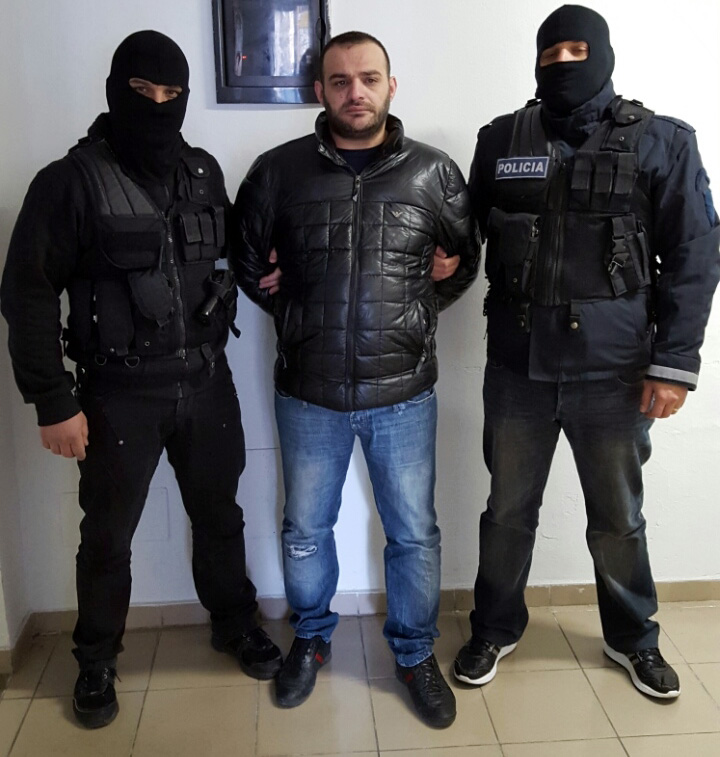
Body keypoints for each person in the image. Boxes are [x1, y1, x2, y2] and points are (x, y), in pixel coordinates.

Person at [0, 30, 282, 729]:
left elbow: (234, 254)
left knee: (220, 517)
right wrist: (52, 400)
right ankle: (96, 658)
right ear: (114, 91)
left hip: (207, 383)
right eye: (141, 91)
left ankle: (234, 622)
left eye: (170, 93)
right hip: (117, 394)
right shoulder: (67, 182)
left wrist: (280, 267)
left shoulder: (204, 173)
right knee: (107, 537)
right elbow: (27, 294)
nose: (158, 104)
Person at [453, 4, 720, 700]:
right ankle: (494, 627)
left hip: (617, 374)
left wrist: (674, 365)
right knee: (506, 514)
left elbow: (695, 256)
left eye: (577, 49)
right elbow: (460, 232)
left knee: (618, 520)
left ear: (602, 54)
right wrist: (433, 261)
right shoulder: (501, 139)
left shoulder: (661, 140)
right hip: (518, 369)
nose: (564, 63)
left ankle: (633, 638)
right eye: (551, 53)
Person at [232, 31, 480, 728]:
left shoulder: (433, 173)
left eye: (369, 78)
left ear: (391, 86)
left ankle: (414, 652)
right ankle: (311, 637)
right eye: (340, 81)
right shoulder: (277, 171)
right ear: (320, 91)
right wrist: (291, 305)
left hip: (404, 394)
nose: (356, 92)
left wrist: (416, 307)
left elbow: (463, 260)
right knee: (306, 528)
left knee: (414, 534)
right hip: (307, 393)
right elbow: (246, 260)